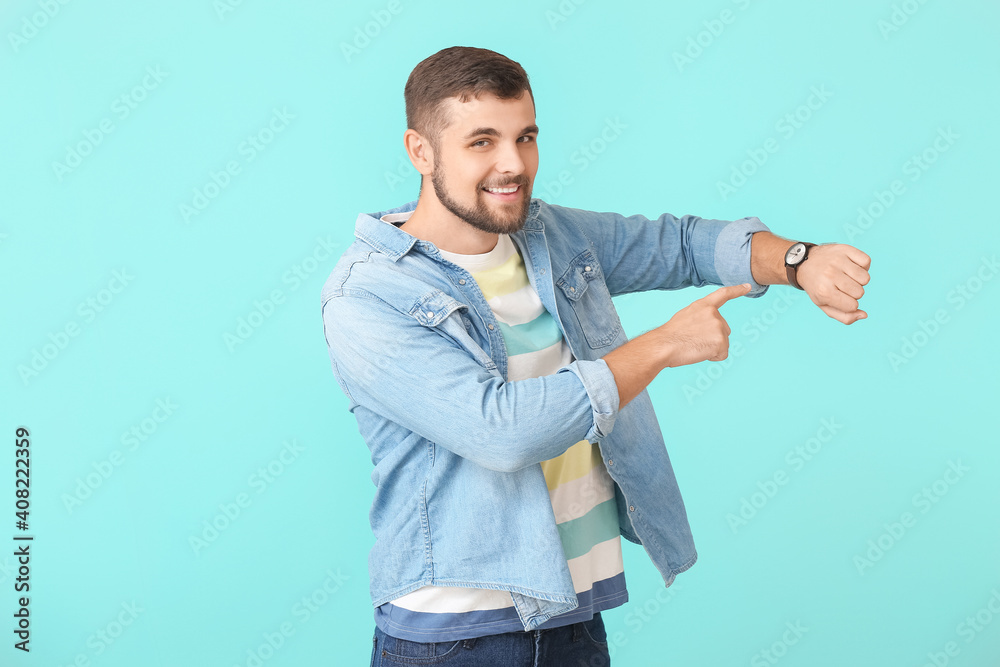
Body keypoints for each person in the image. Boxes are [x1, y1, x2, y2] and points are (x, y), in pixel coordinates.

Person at [320, 46, 871, 667]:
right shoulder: (369, 295)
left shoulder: (551, 237)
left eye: (525, 137)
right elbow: (501, 430)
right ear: (420, 151)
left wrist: (801, 261)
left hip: (573, 612)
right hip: (455, 635)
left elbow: (684, 244)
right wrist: (662, 345)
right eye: (482, 142)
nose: (513, 164)